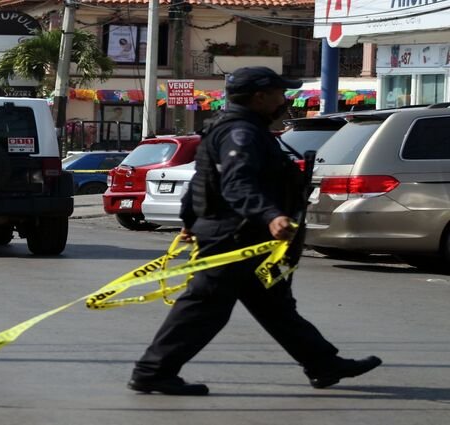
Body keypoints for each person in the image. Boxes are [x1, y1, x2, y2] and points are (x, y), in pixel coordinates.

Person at [127, 67, 382, 396]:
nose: (283, 100)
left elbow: (204, 180)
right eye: (279, 93)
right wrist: (270, 215)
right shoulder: (241, 133)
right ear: (260, 97)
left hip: (243, 234)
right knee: (204, 306)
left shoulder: (233, 128)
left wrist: (190, 220)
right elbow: (237, 183)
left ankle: (323, 364)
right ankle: (152, 372)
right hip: (234, 236)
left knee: (275, 306)